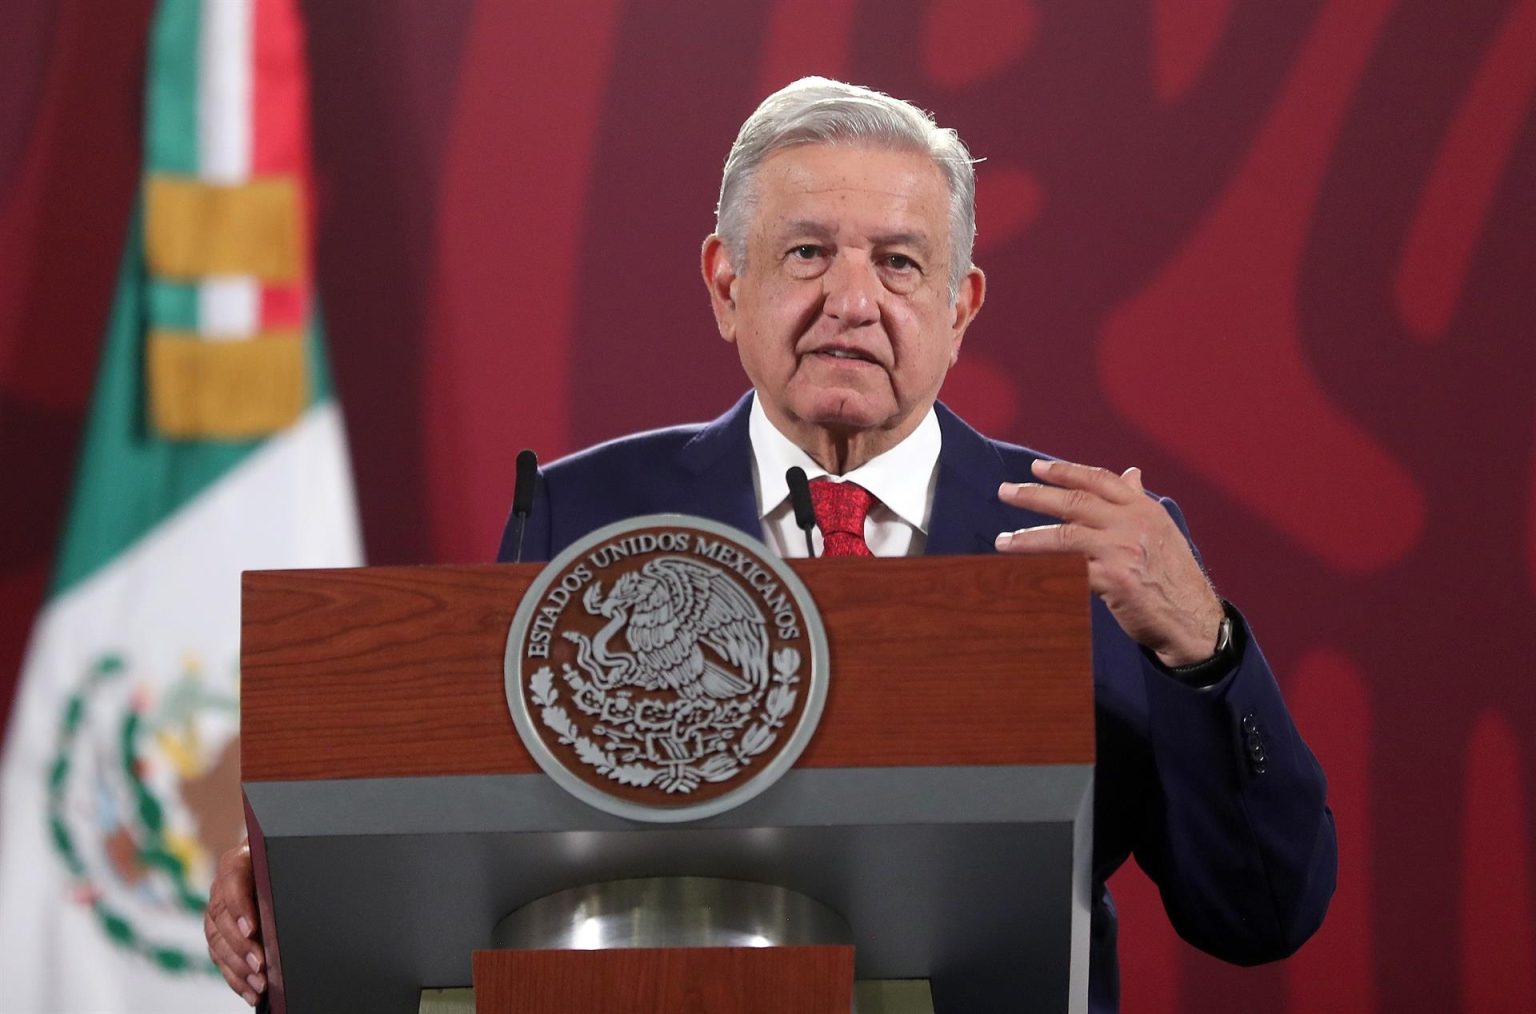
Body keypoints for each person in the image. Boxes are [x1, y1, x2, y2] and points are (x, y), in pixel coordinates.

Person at [206, 77, 1336, 1011]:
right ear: (725, 283)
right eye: (806, 253)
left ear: (962, 305)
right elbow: (482, 828)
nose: (852, 300)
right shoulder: (584, 514)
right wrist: (295, 890)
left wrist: (1208, 650)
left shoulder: (1094, 544)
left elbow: (1261, 915)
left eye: (899, 262)